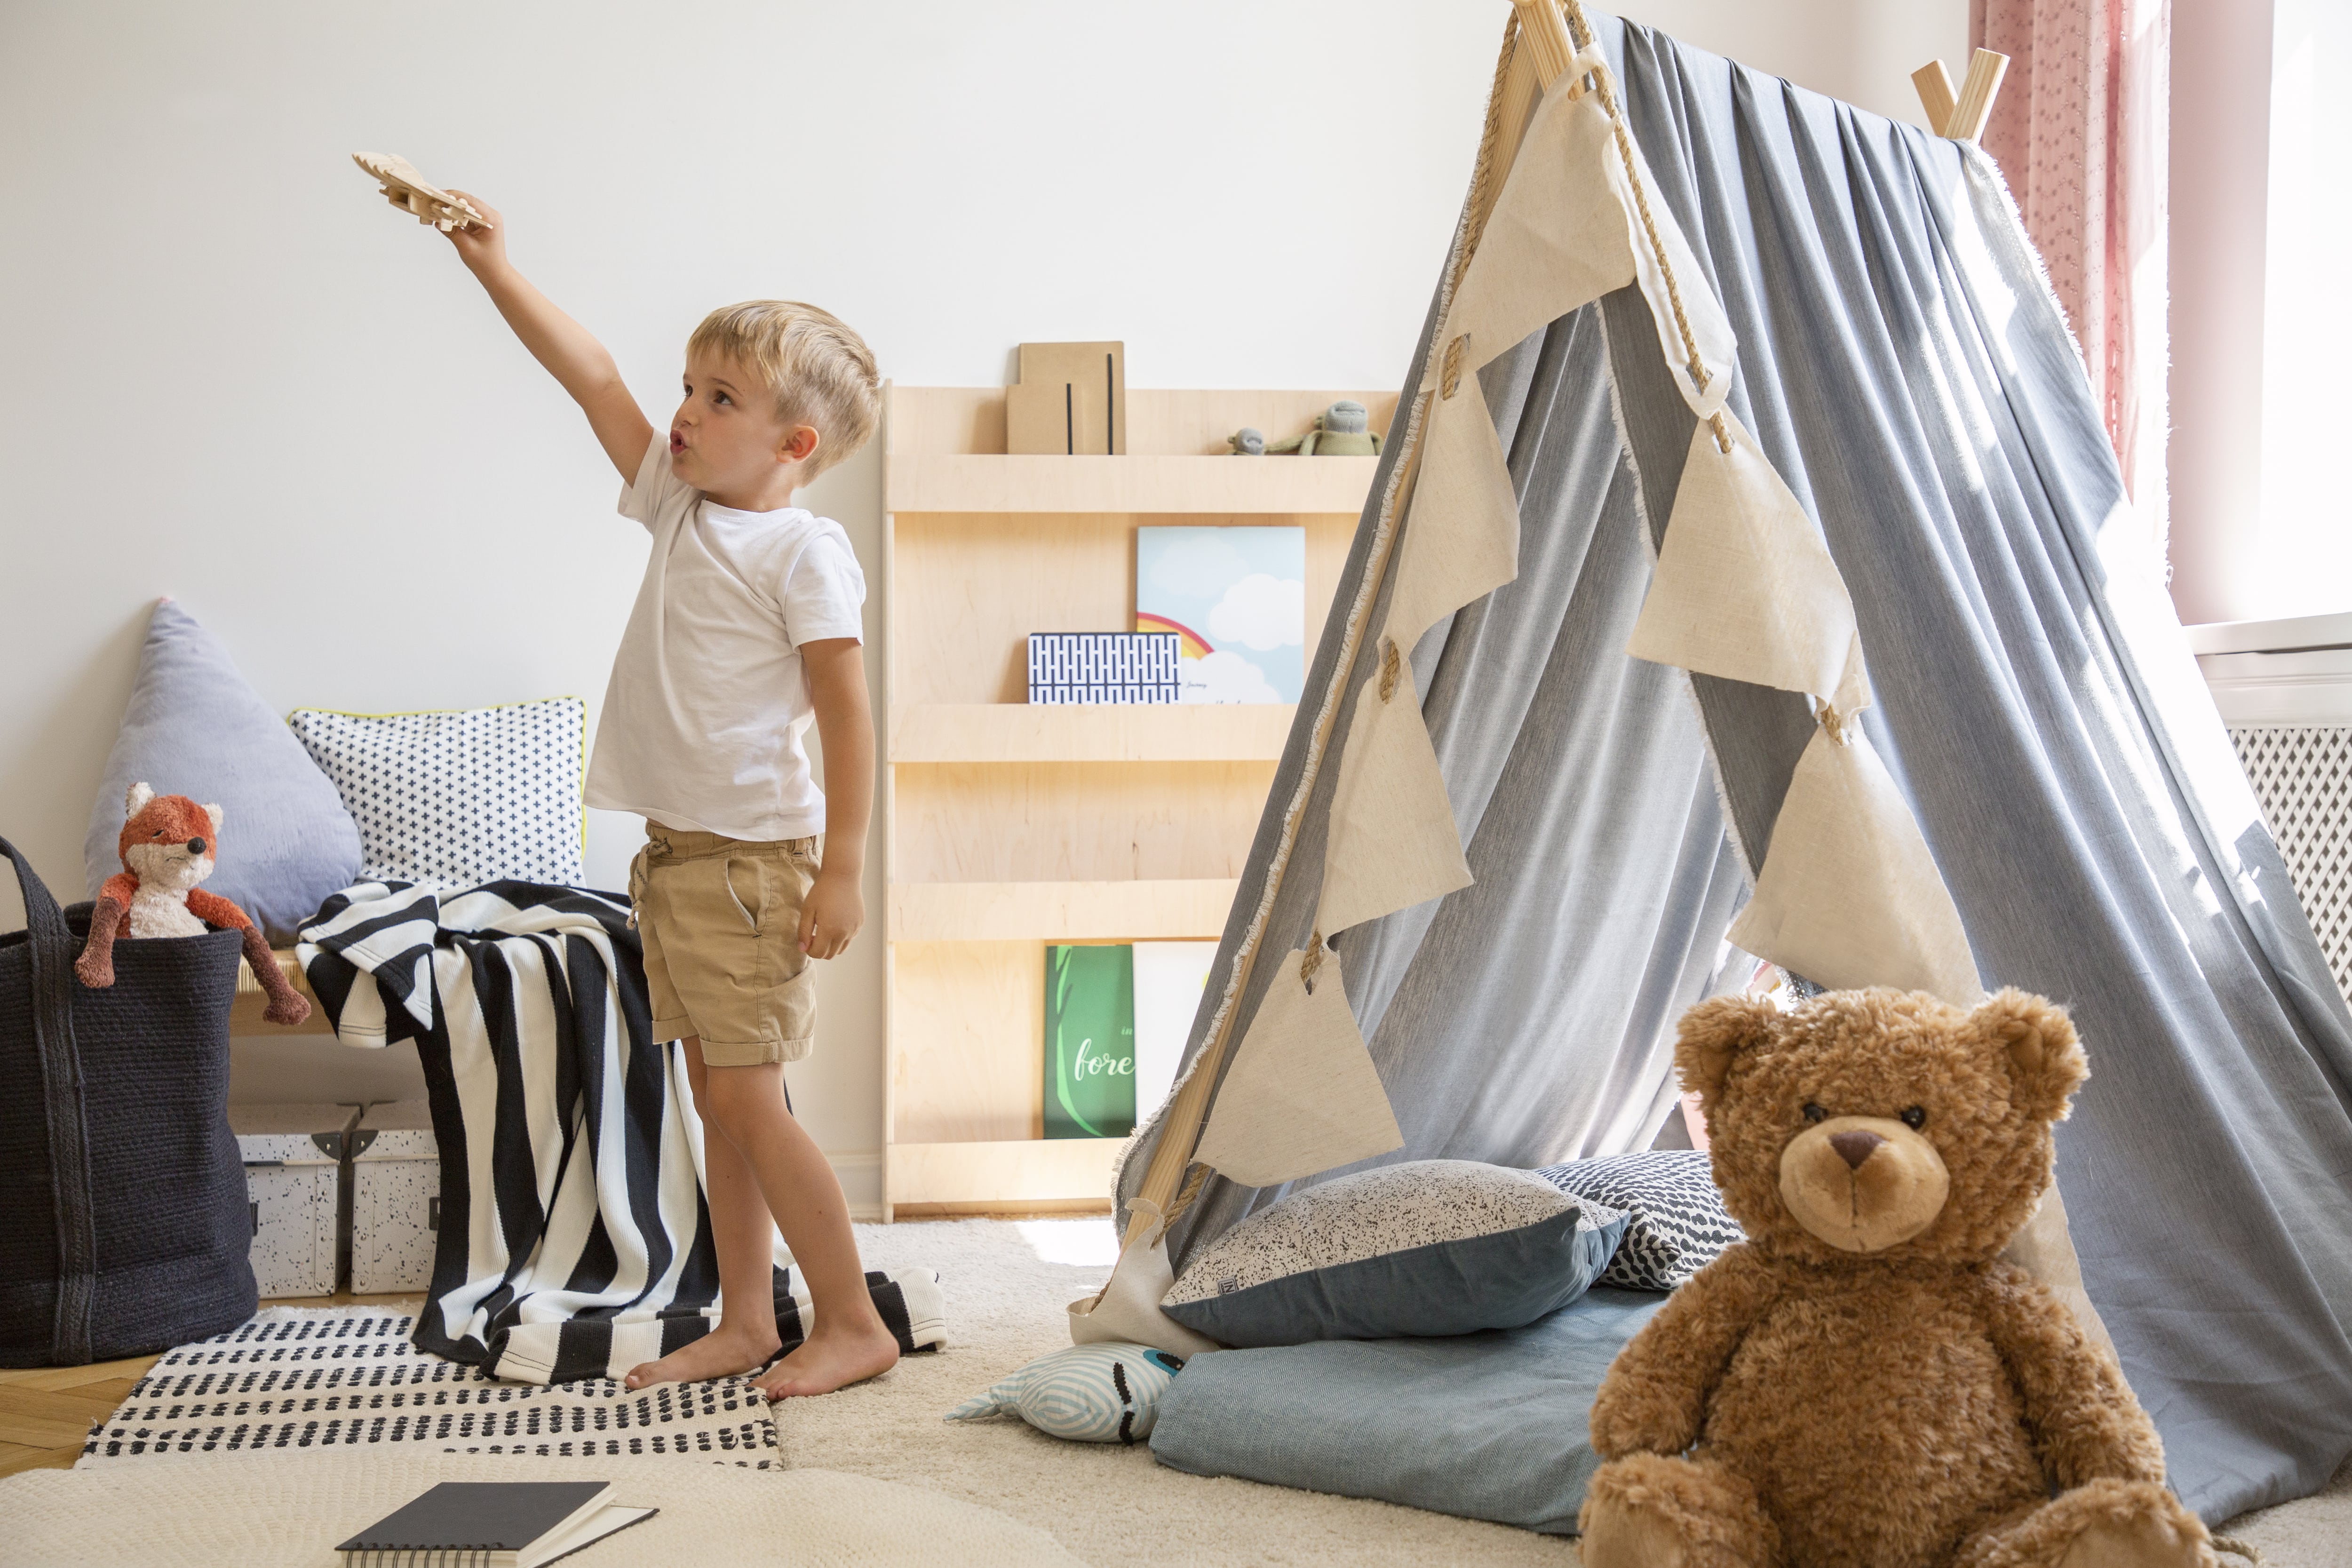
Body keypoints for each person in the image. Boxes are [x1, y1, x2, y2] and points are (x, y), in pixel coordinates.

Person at [435, 192, 897, 1399]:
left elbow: (847, 714)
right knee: (722, 1103)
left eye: (721, 399)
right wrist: (494, 262)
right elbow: (589, 376)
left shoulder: (804, 553)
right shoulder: (679, 502)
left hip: (753, 868)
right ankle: (748, 1317)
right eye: (688, 386)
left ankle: (849, 1319)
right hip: (681, 859)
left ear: (795, 445)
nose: (684, 413)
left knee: (750, 1098)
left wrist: (842, 865)